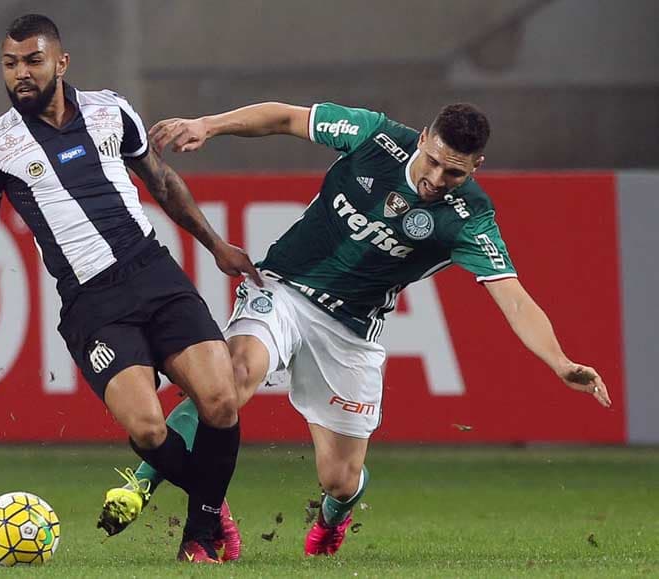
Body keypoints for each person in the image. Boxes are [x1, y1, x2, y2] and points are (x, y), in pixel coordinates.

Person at [99, 100, 613, 556]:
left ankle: (333, 518)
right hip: (281, 289)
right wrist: (208, 125)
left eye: (453, 173)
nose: (436, 178)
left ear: (476, 166)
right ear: (425, 137)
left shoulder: (470, 217)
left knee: (339, 478)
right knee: (230, 378)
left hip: (350, 331)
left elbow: (515, 300)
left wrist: (560, 362)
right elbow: (284, 117)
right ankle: (145, 483)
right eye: (432, 160)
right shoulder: (375, 135)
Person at [0, 14, 259, 564]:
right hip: (92, 301)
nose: (21, 75)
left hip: (153, 272)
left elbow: (163, 182)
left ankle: (199, 538)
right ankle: (211, 506)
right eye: (10, 65)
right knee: (149, 430)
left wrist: (215, 244)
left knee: (221, 400)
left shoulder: (111, 110)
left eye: (32, 61)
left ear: (61, 61)